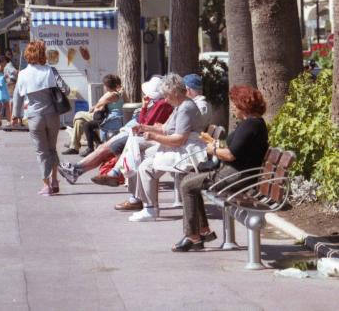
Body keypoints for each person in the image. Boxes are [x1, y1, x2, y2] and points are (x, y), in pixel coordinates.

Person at [172, 85, 268, 252]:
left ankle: (193, 236)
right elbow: (237, 149)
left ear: (243, 104)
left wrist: (213, 150)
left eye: (234, 104)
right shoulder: (253, 123)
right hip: (237, 174)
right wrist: (216, 146)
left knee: (187, 184)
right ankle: (201, 231)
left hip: (235, 176)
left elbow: (231, 155)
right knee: (188, 180)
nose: (232, 108)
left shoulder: (250, 125)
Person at [58, 75, 173, 186]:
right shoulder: (157, 102)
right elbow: (144, 121)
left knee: (104, 148)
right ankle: (77, 170)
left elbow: (145, 123)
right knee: (103, 148)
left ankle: (76, 169)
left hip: (139, 131)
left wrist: (143, 108)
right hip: (136, 129)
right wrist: (144, 107)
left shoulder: (161, 104)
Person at [125, 73, 205, 222]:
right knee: (144, 160)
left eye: (167, 96)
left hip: (186, 152)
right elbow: (165, 129)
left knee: (146, 167)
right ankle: (147, 205)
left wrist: (153, 136)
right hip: (182, 148)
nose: (165, 100)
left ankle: (150, 209)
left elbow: (179, 139)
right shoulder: (180, 105)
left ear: (175, 92)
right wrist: (143, 127)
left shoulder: (185, 108)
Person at [11, 41, 70, 196]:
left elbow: (17, 96)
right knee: (52, 149)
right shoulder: (51, 70)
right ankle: (55, 180)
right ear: (43, 54)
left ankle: (46, 185)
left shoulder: (23, 74)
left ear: (27, 55)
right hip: (52, 115)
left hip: (34, 116)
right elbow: (66, 90)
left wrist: (15, 116)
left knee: (41, 151)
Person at [62, 74, 123, 156]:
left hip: (108, 118)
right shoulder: (115, 93)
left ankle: (77, 145)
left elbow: (100, 103)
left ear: (106, 85)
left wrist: (95, 107)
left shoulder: (112, 94)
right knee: (79, 122)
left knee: (78, 114)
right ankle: (74, 146)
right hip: (105, 116)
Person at [0, 56, 10, 128]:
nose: (6, 63)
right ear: (0, 62)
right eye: (4, 61)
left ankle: (8, 121)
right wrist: (2, 78)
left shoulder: (6, 69)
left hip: (4, 88)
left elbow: (8, 80)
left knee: (7, 105)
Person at [4, 49, 18, 118]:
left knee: (10, 101)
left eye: (10, 54)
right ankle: (11, 118)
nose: (10, 56)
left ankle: (10, 118)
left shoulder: (9, 63)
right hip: (11, 84)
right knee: (11, 101)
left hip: (9, 84)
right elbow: (15, 72)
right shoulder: (9, 64)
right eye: (8, 54)